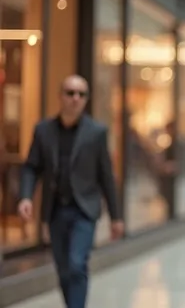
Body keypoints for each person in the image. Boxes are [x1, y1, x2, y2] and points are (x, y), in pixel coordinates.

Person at [17, 75, 123, 308]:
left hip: (84, 210)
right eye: (70, 93)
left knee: (77, 263)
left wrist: (116, 216)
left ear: (86, 99)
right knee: (64, 269)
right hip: (55, 210)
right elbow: (31, 167)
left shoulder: (96, 132)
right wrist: (26, 197)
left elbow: (106, 176)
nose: (75, 98)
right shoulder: (43, 130)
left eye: (81, 94)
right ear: (60, 96)